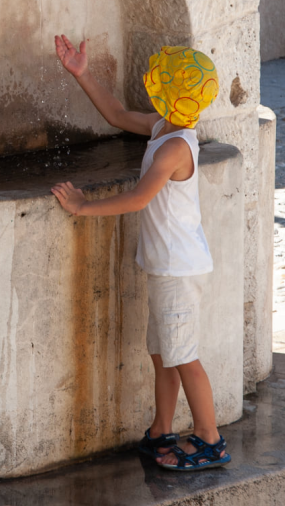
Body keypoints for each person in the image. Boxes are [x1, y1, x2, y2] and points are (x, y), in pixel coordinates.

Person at [50, 35, 230, 472]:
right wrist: (81, 72)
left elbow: (137, 199)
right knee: (163, 352)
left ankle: (211, 439)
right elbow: (114, 114)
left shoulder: (174, 148)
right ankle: (160, 430)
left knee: (183, 354)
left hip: (178, 269)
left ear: (168, 95)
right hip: (166, 265)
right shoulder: (161, 127)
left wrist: (82, 207)